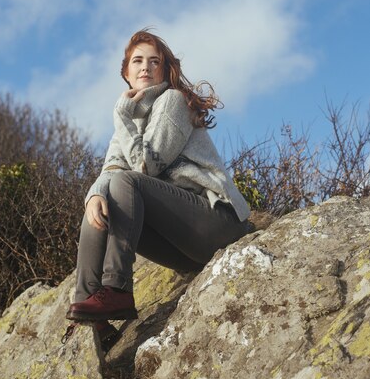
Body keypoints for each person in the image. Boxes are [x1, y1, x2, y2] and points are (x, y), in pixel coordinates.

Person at [66, 29, 250, 342]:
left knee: (125, 182)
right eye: (137, 61)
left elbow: (144, 167)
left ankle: (117, 289)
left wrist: (120, 117)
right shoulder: (128, 122)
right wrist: (95, 194)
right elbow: (110, 169)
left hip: (218, 224)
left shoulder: (172, 101)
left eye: (155, 61)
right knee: (99, 201)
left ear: (166, 70)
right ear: (126, 72)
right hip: (185, 250)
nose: (145, 67)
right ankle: (86, 312)